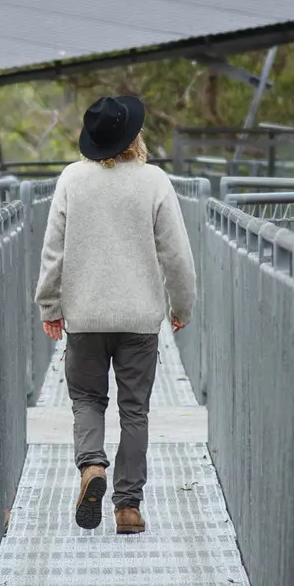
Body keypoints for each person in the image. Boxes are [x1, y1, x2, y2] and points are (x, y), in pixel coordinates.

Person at [34, 92, 197, 535]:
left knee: (87, 399)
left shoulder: (71, 179)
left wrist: (50, 305)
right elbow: (177, 255)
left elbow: (53, 252)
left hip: (84, 317)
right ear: (134, 137)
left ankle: (92, 467)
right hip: (140, 319)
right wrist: (181, 305)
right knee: (134, 410)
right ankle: (128, 507)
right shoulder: (155, 181)